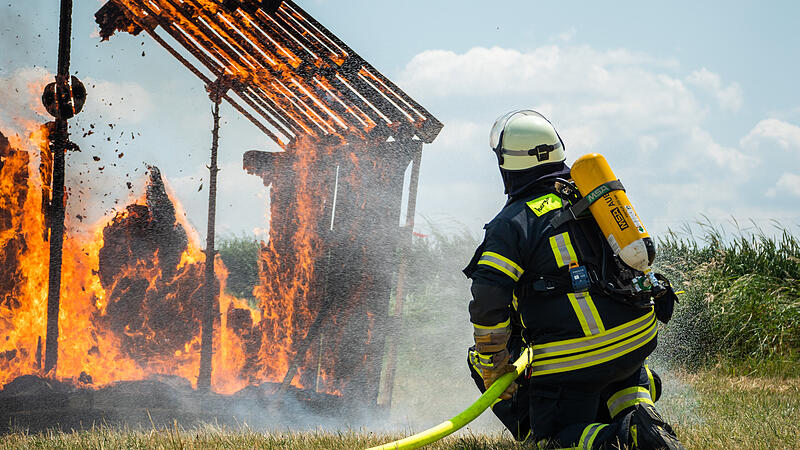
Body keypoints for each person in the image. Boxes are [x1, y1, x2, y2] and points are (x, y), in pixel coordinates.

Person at [464, 110, 684, 449]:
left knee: (550, 439)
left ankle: (623, 438)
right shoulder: (592, 196)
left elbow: (488, 298)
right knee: (617, 371)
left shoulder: (512, 223)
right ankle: (636, 408)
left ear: (508, 165)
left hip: (579, 357)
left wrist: (493, 362)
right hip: (638, 339)